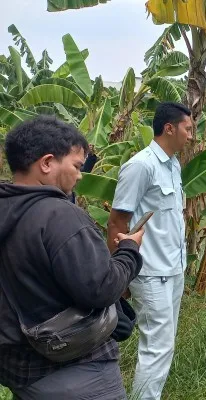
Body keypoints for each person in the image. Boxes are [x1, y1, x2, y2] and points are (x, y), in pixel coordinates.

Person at [0, 115, 145, 399]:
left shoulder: (8, 208)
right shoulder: (58, 216)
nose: (80, 175)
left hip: (19, 371)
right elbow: (100, 288)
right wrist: (129, 251)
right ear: (46, 163)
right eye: (77, 166)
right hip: (74, 373)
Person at [107, 102, 192, 400]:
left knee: (163, 344)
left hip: (174, 270)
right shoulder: (140, 166)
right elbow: (118, 221)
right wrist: (118, 277)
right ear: (169, 128)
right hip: (150, 272)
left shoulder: (173, 164)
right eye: (188, 129)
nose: (191, 136)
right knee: (157, 347)